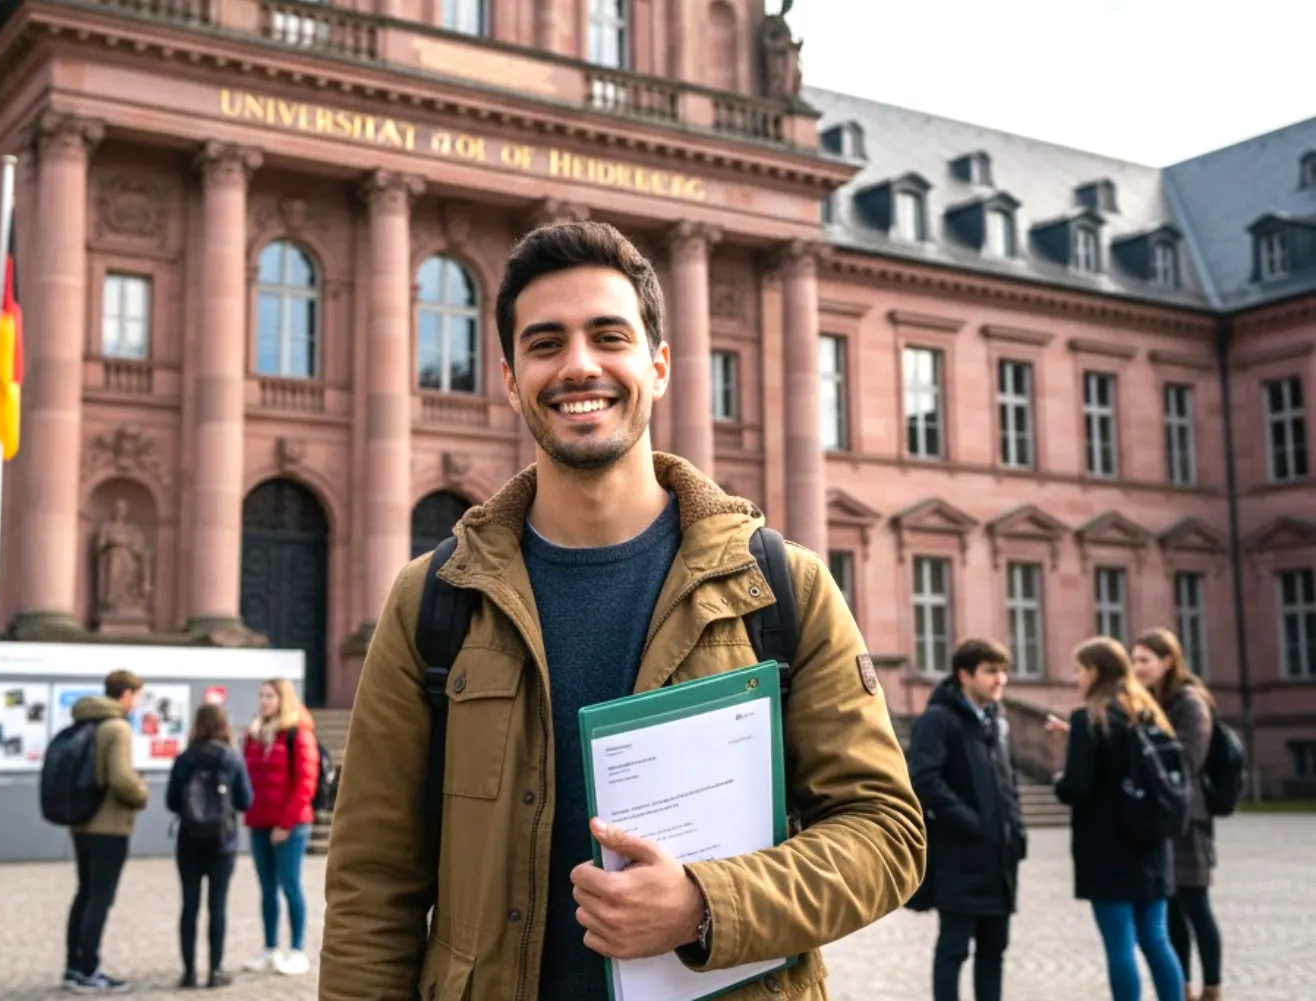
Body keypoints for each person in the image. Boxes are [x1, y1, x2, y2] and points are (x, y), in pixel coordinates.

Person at [319, 220, 926, 1001]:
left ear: (660, 365)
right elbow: (374, 880)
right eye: (544, 344)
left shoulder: (783, 586)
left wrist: (709, 903)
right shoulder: (434, 600)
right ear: (509, 378)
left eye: (609, 336)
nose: (578, 366)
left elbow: (886, 831)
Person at [1049, 637, 1187, 1001]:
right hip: (1151, 843)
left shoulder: (1089, 718)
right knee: (1156, 938)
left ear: (1095, 671)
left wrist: (1058, 773)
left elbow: (1075, 787)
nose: (1076, 676)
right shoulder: (1147, 711)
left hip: (1108, 848)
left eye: (1079, 669)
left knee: (1120, 943)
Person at [906, 638, 1025, 1001]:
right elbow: (924, 779)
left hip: (998, 859)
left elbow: (1009, 782)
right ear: (964, 674)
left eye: (1003, 671)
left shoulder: (997, 720)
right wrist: (971, 823)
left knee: (994, 951)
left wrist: (1015, 830)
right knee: (954, 949)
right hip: (960, 856)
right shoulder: (939, 719)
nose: (1000, 679)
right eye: (990, 671)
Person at [1131, 628, 1223, 1001]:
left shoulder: (1189, 702)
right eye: (1133, 660)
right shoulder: (1146, 701)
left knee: (1196, 904)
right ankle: (1181, 987)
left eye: (1144, 661)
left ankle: (1213, 987)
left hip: (1190, 818)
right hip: (1162, 817)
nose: (1137, 668)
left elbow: (1189, 758)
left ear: (1167, 662)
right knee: (1169, 909)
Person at [64, 669, 149, 993]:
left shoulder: (87, 721)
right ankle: (90, 970)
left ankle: (73, 966)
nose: (138, 702)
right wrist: (141, 792)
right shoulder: (117, 728)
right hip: (110, 826)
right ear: (126, 695)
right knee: (100, 898)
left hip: (82, 823)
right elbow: (121, 779)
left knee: (84, 893)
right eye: (138, 696)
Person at [166, 701, 254, 989]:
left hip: (189, 840)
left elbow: (171, 801)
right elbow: (245, 800)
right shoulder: (231, 758)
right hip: (222, 841)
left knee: (189, 905)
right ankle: (215, 971)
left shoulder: (185, 758)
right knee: (218, 905)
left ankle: (189, 972)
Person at [241, 677, 319, 977]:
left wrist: (286, 823)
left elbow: (305, 783)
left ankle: (297, 950)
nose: (263, 701)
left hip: (291, 825)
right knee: (267, 889)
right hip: (260, 822)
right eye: (261, 696)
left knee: (291, 885)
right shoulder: (254, 733)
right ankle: (270, 949)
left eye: (270, 696)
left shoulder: (297, 733)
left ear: (282, 699)